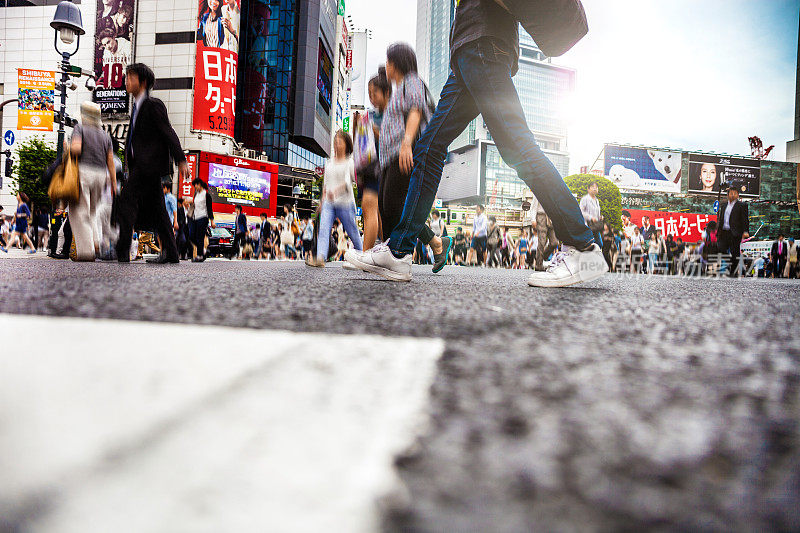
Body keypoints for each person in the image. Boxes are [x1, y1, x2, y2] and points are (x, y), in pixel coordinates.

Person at [349, 5, 606, 286]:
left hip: (484, 47)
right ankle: (398, 252)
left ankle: (583, 247)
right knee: (429, 149)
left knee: (517, 147)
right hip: (466, 54)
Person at [351, 43, 450, 278]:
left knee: (395, 206)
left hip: (403, 154)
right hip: (389, 158)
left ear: (396, 63)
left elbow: (415, 110)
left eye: (388, 61)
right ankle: (405, 252)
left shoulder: (412, 81)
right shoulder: (400, 89)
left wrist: (406, 143)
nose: (386, 66)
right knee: (388, 208)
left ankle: (399, 257)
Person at [115, 63, 187, 264]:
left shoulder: (152, 105)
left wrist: (181, 159)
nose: (126, 81)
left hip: (148, 167)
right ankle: (171, 254)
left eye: (131, 77)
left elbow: (167, 131)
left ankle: (121, 252)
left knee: (126, 200)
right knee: (159, 211)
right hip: (142, 168)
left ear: (143, 82)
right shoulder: (136, 108)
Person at [64, 102, 116, 261]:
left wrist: (67, 147)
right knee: (93, 211)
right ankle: (95, 241)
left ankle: (86, 252)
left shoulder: (80, 128)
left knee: (79, 212)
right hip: (101, 176)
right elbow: (110, 161)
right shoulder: (104, 134)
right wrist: (113, 183)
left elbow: (77, 149)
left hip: (84, 173)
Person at [306, 130, 363, 267]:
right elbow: (325, 186)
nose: (336, 143)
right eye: (335, 141)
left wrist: (336, 192)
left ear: (346, 144)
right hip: (329, 203)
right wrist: (321, 202)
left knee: (353, 232)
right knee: (324, 229)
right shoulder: (329, 163)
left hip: (345, 203)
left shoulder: (350, 162)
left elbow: (349, 183)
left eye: (340, 141)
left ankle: (362, 256)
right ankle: (320, 258)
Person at [359, 68, 391, 249]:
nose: (371, 97)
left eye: (375, 93)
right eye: (369, 94)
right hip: (371, 168)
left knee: (375, 210)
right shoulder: (370, 115)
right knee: (372, 210)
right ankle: (373, 253)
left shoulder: (393, 114)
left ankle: (367, 254)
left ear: (386, 92)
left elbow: (394, 139)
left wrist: (376, 133)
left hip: (385, 169)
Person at [716, 185, 749, 277]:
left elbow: (745, 219)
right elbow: (721, 219)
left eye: (735, 193)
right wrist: (718, 231)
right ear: (728, 195)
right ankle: (729, 261)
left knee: (735, 252)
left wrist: (745, 231)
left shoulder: (742, 205)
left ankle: (733, 272)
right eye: (731, 193)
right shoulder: (724, 205)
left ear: (738, 195)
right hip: (724, 231)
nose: (733, 195)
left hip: (735, 232)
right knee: (720, 248)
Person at [185, 178, 215, 261]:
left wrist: (212, 221)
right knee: (191, 235)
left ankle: (200, 256)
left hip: (203, 217)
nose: (195, 187)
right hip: (194, 217)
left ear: (200, 184)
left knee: (200, 237)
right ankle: (203, 250)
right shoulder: (196, 194)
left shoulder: (206, 195)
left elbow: (209, 209)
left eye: (196, 185)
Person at [531, 193, 559, 272]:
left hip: (552, 218)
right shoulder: (538, 191)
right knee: (542, 242)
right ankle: (538, 265)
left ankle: (543, 257)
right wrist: (533, 219)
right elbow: (533, 207)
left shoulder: (554, 193)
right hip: (541, 217)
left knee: (555, 243)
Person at [579, 181, 603, 247]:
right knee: (590, 244)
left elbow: (596, 212)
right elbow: (581, 211)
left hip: (595, 226)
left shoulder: (597, 200)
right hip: (588, 226)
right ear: (588, 189)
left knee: (599, 244)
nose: (595, 189)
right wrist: (590, 217)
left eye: (596, 187)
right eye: (593, 187)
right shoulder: (585, 199)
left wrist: (599, 217)